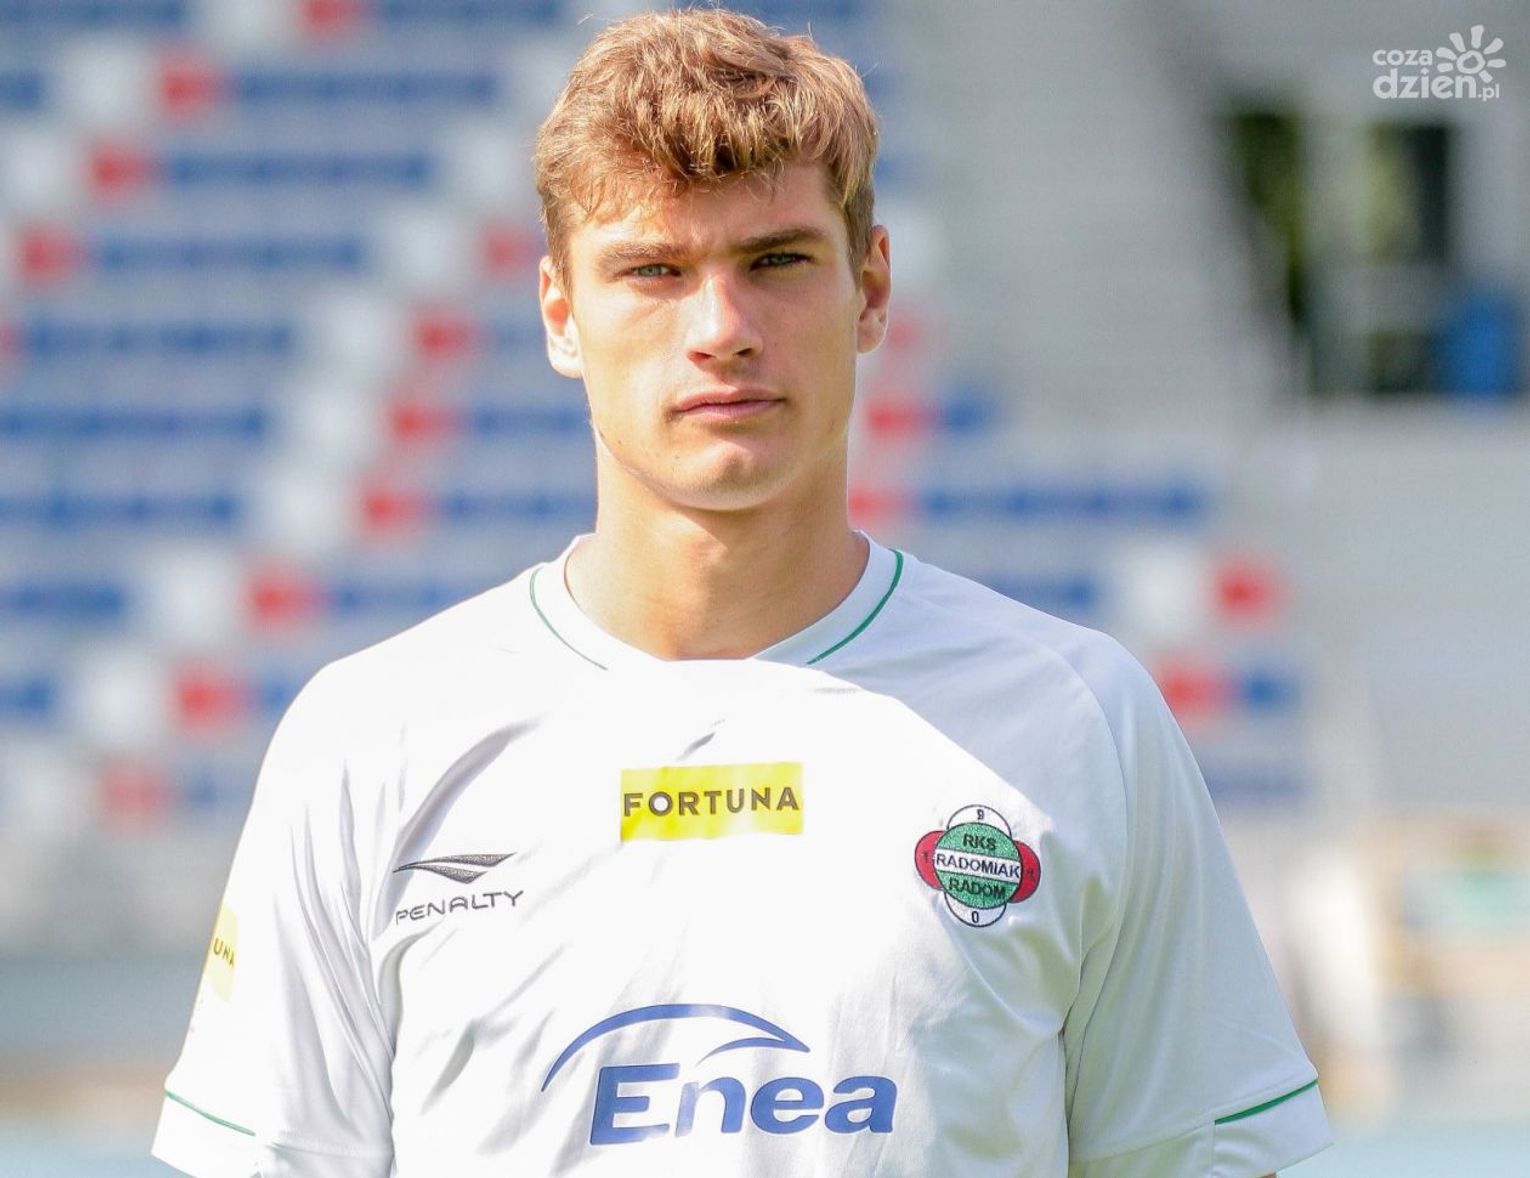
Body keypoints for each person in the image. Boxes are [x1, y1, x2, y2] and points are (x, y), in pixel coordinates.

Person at [152, 8, 1331, 1176]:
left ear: (871, 288)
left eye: (776, 262)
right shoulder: (371, 740)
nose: (721, 329)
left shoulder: (1081, 718)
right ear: (562, 313)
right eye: (653, 271)